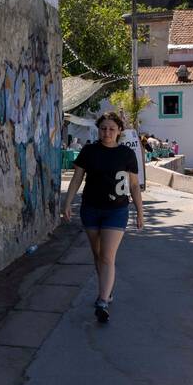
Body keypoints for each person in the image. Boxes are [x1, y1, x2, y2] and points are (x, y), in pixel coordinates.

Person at [59, 110, 144, 323]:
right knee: (97, 255)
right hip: (91, 208)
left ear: (119, 132)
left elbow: (134, 185)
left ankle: (102, 301)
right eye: (104, 128)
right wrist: (67, 202)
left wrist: (140, 212)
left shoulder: (126, 154)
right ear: (99, 130)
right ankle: (107, 289)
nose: (107, 132)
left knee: (107, 256)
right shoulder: (89, 151)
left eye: (112, 129)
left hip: (116, 211)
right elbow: (77, 179)